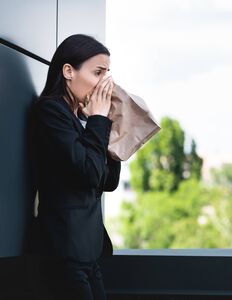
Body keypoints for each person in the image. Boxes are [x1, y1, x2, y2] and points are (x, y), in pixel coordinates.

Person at [29, 34, 121, 300]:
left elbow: (106, 182)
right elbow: (90, 172)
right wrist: (98, 122)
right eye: (98, 72)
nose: (105, 82)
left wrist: (110, 130)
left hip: (88, 252)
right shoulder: (50, 111)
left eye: (107, 73)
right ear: (68, 71)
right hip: (64, 251)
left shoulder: (84, 118)